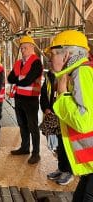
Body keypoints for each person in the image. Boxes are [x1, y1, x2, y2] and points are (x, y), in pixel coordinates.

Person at [47, 30, 93, 202]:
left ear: (66, 55)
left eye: (52, 55)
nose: (50, 60)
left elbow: (84, 121)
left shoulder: (81, 73)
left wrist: (63, 95)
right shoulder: (77, 73)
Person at [8, 35, 43, 164]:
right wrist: (21, 79)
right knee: (22, 125)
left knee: (33, 126)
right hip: (19, 98)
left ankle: (36, 153)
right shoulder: (18, 63)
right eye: (21, 48)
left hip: (31, 99)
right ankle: (25, 147)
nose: (22, 50)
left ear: (32, 47)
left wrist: (20, 79)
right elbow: (10, 79)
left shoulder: (36, 62)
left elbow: (29, 80)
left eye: (25, 48)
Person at [40, 69, 73, 185]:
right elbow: (44, 93)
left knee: (66, 145)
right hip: (54, 114)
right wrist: (46, 108)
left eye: (53, 55)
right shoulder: (49, 75)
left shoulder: (71, 73)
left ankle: (69, 171)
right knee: (59, 145)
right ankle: (62, 168)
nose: (50, 59)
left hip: (66, 115)